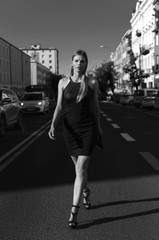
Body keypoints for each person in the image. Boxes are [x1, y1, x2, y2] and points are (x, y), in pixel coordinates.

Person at [48, 50, 103, 228]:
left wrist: (99, 128)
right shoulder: (63, 82)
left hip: (88, 130)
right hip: (70, 131)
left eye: (83, 61)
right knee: (79, 170)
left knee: (80, 170)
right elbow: (59, 106)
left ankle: (73, 213)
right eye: (77, 61)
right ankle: (86, 191)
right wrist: (53, 125)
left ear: (86, 64)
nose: (80, 64)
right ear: (72, 63)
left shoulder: (92, 82)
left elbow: (95, 108)